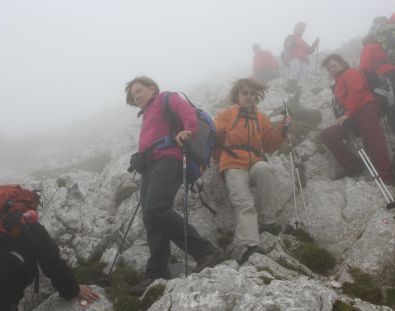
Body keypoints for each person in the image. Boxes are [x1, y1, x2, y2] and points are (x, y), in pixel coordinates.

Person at [124, 76, 219, 295]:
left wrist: (189, 130)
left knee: (156, 207)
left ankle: (205, 250)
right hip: (152, 165)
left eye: (139, 90)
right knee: (150, 216)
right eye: (133, 95)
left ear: (152, 88)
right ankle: (156, 271)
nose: (136, 96)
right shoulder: (147, 115)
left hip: (169, 159)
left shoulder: (166, 98)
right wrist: (140, 157)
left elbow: (186, 111)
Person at [213, 78, 289, 263]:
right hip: (232, 163)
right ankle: (249, 245)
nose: (248, 96)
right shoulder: (227, 114)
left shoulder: (261, 118)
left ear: (256, 96)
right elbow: (213, 134)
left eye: (251, 93)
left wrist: (283, 129)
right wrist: (217, 157)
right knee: (244, 202)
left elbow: (269, 145)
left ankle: (268, 222)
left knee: (265, 169)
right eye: (244, 93)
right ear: (237, 96)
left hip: (254, 161)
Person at [319, 54, 394, 184]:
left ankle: (387, 176)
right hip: (353, 117)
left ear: (342, 63)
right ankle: (353, 166)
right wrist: (346, 116)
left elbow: (356, 91)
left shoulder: (350, 72)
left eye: (333, 65)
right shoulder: (337, 84)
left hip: (366, 107)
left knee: (372, 140)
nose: (332, 69)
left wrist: (347, 114)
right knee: (328, 135)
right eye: (329, 68)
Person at [360, 12, 395, 145]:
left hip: (387, 74)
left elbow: (365, 68)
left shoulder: (370, 47)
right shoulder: (385, 45)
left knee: (393, 106)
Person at [283, 22, 320, 89]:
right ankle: (292, 88)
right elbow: (287, 45)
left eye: (302, 30)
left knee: (304, 75)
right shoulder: (291, 37)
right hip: (295, 58)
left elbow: (309, 50)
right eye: (300, 29)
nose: (301, 31)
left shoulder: (303, 41)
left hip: (304, 60)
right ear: (295, 29)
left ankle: (301, 89)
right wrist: (290, 45)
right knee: (295, 72)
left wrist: (315, 44)